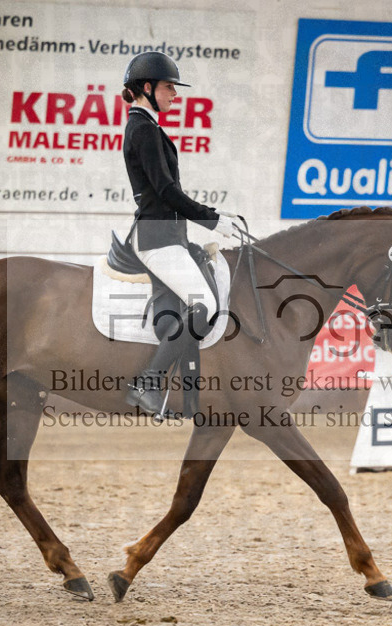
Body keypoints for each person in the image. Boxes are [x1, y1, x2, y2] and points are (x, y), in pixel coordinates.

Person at [120, 51, 240, 415]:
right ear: (147, 87)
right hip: (156, 239)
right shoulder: (143, 130)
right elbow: (167, 192)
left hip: (168, 235)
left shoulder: (148, 128)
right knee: (204, 305)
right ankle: (149, 381)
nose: (175, 94)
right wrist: (211, 218)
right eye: (169, 87)